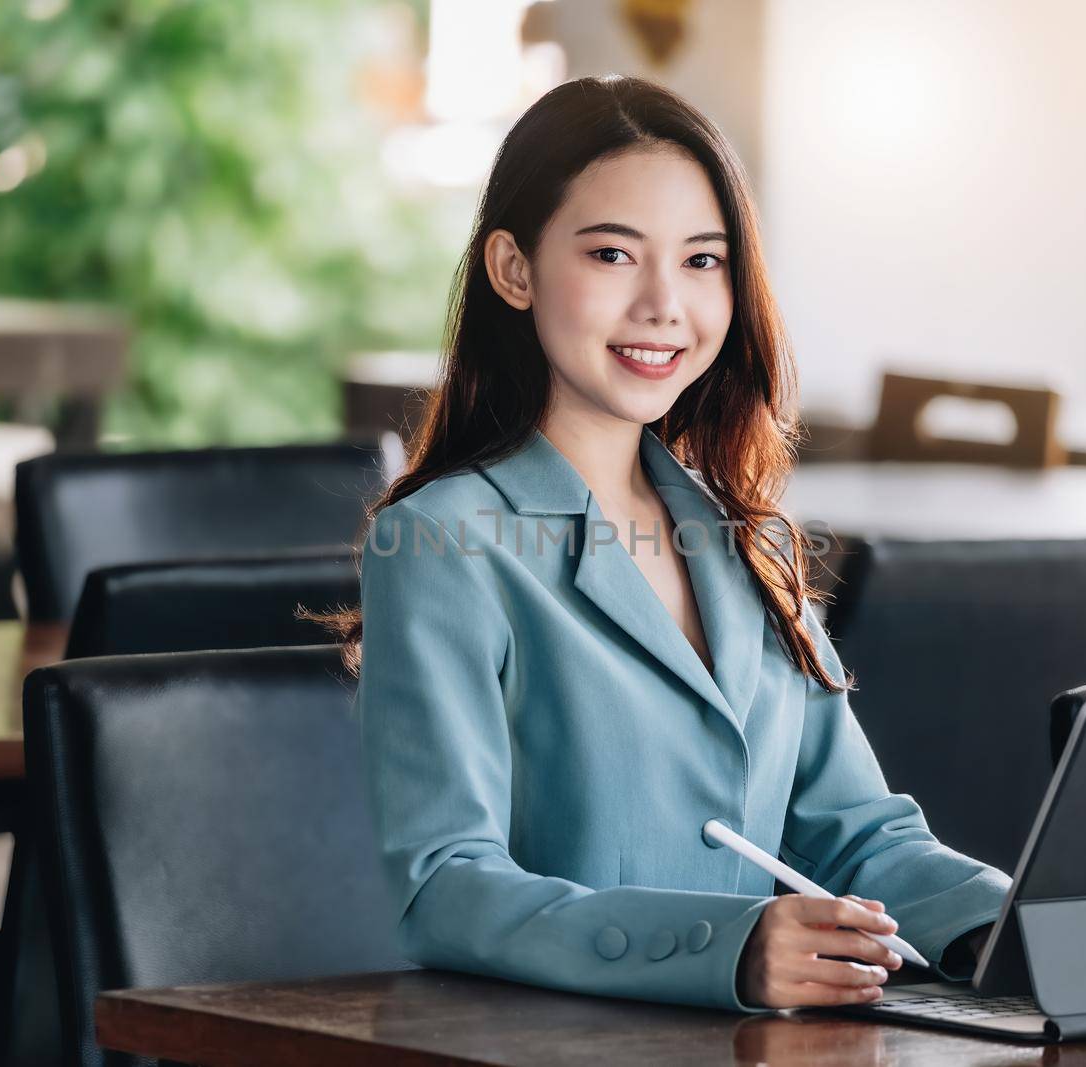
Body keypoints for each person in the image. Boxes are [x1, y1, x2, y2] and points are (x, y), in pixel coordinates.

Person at [321, 74, 1010, 1013]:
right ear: (513, 269)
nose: (663, 305)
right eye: (612, 254)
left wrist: (1018, 924)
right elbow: (445, 884)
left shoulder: (744, 533)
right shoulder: (443, 542)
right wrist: (722, 949)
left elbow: (855, 834)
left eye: (702, 261)